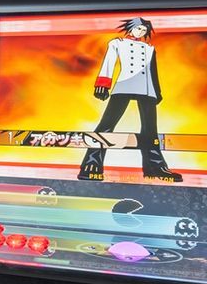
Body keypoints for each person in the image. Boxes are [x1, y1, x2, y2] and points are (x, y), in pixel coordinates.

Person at [78, 16, 184, 182]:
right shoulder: (117, 43)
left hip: (146, 89)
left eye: (144, 30)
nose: (140, 32)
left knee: (150, 129)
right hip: (124, 85)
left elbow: (152, 72)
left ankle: (156, 168)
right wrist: (103, 84)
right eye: (139, 28)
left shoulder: (149, 48)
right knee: (107, 124)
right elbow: (109, 63)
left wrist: (157, 92)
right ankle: (91, 164)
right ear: (131, 27)